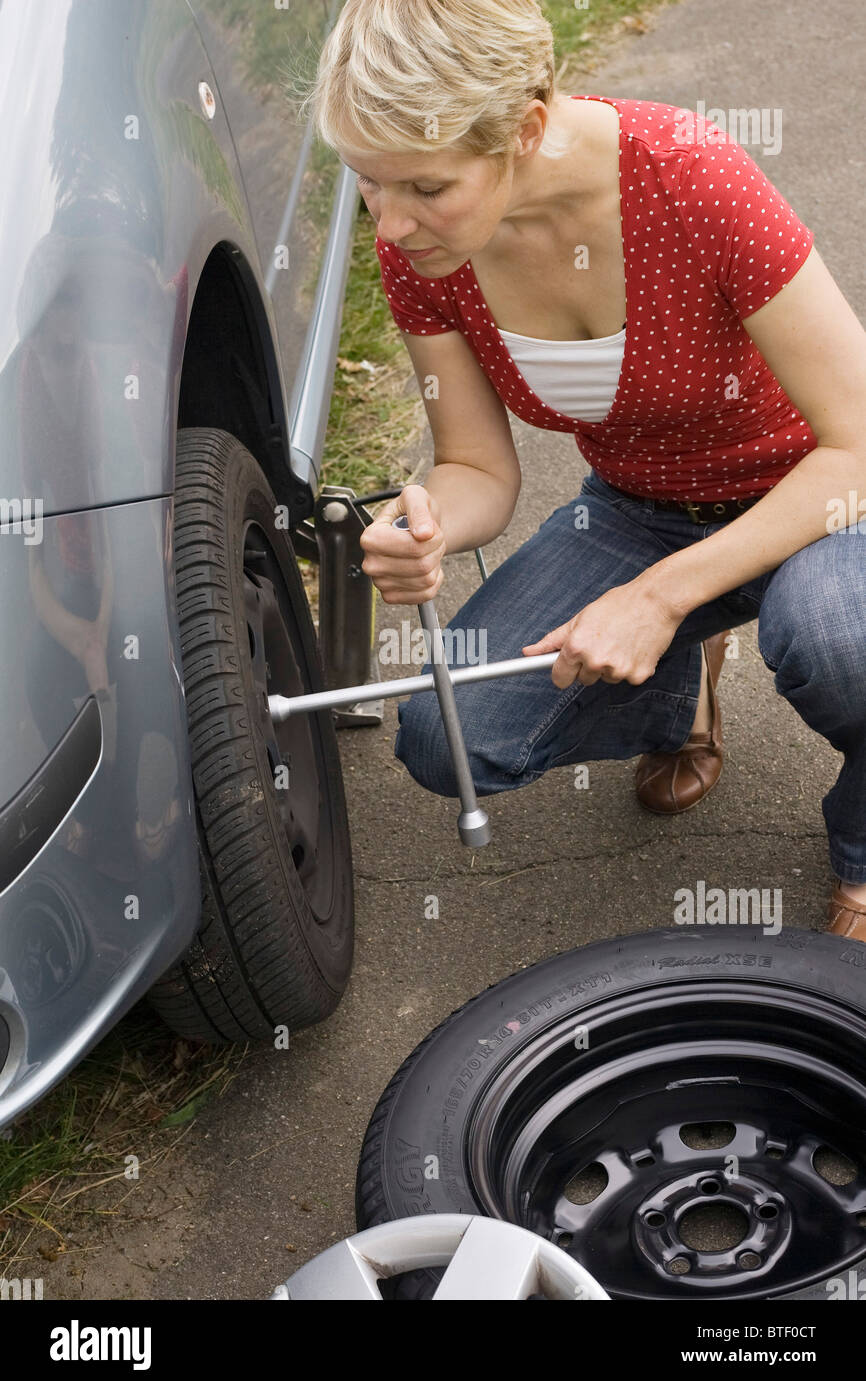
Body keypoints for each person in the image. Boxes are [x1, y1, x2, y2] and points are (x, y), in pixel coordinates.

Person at [304, 0, 866, 940]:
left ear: (524, 127)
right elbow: (475, 465)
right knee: (448, 738)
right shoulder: (421, 250)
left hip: (816, 493)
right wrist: (426, 520)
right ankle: (681, 682)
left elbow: (858, 442)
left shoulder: (691, 176)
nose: (391, 226)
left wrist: (658, 596)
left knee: (840, 641)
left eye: (426, 188)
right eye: (368, 181)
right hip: (638, 508)